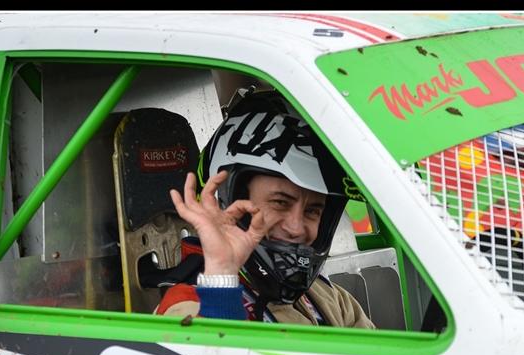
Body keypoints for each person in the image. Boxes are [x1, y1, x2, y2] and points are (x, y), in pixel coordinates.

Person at [155, 92, 374, 328]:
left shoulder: (332, 300)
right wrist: (222, 277)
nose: (296, 227)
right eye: (280, 202)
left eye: (313, 210)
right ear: (228, 202)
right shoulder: (186, 308)